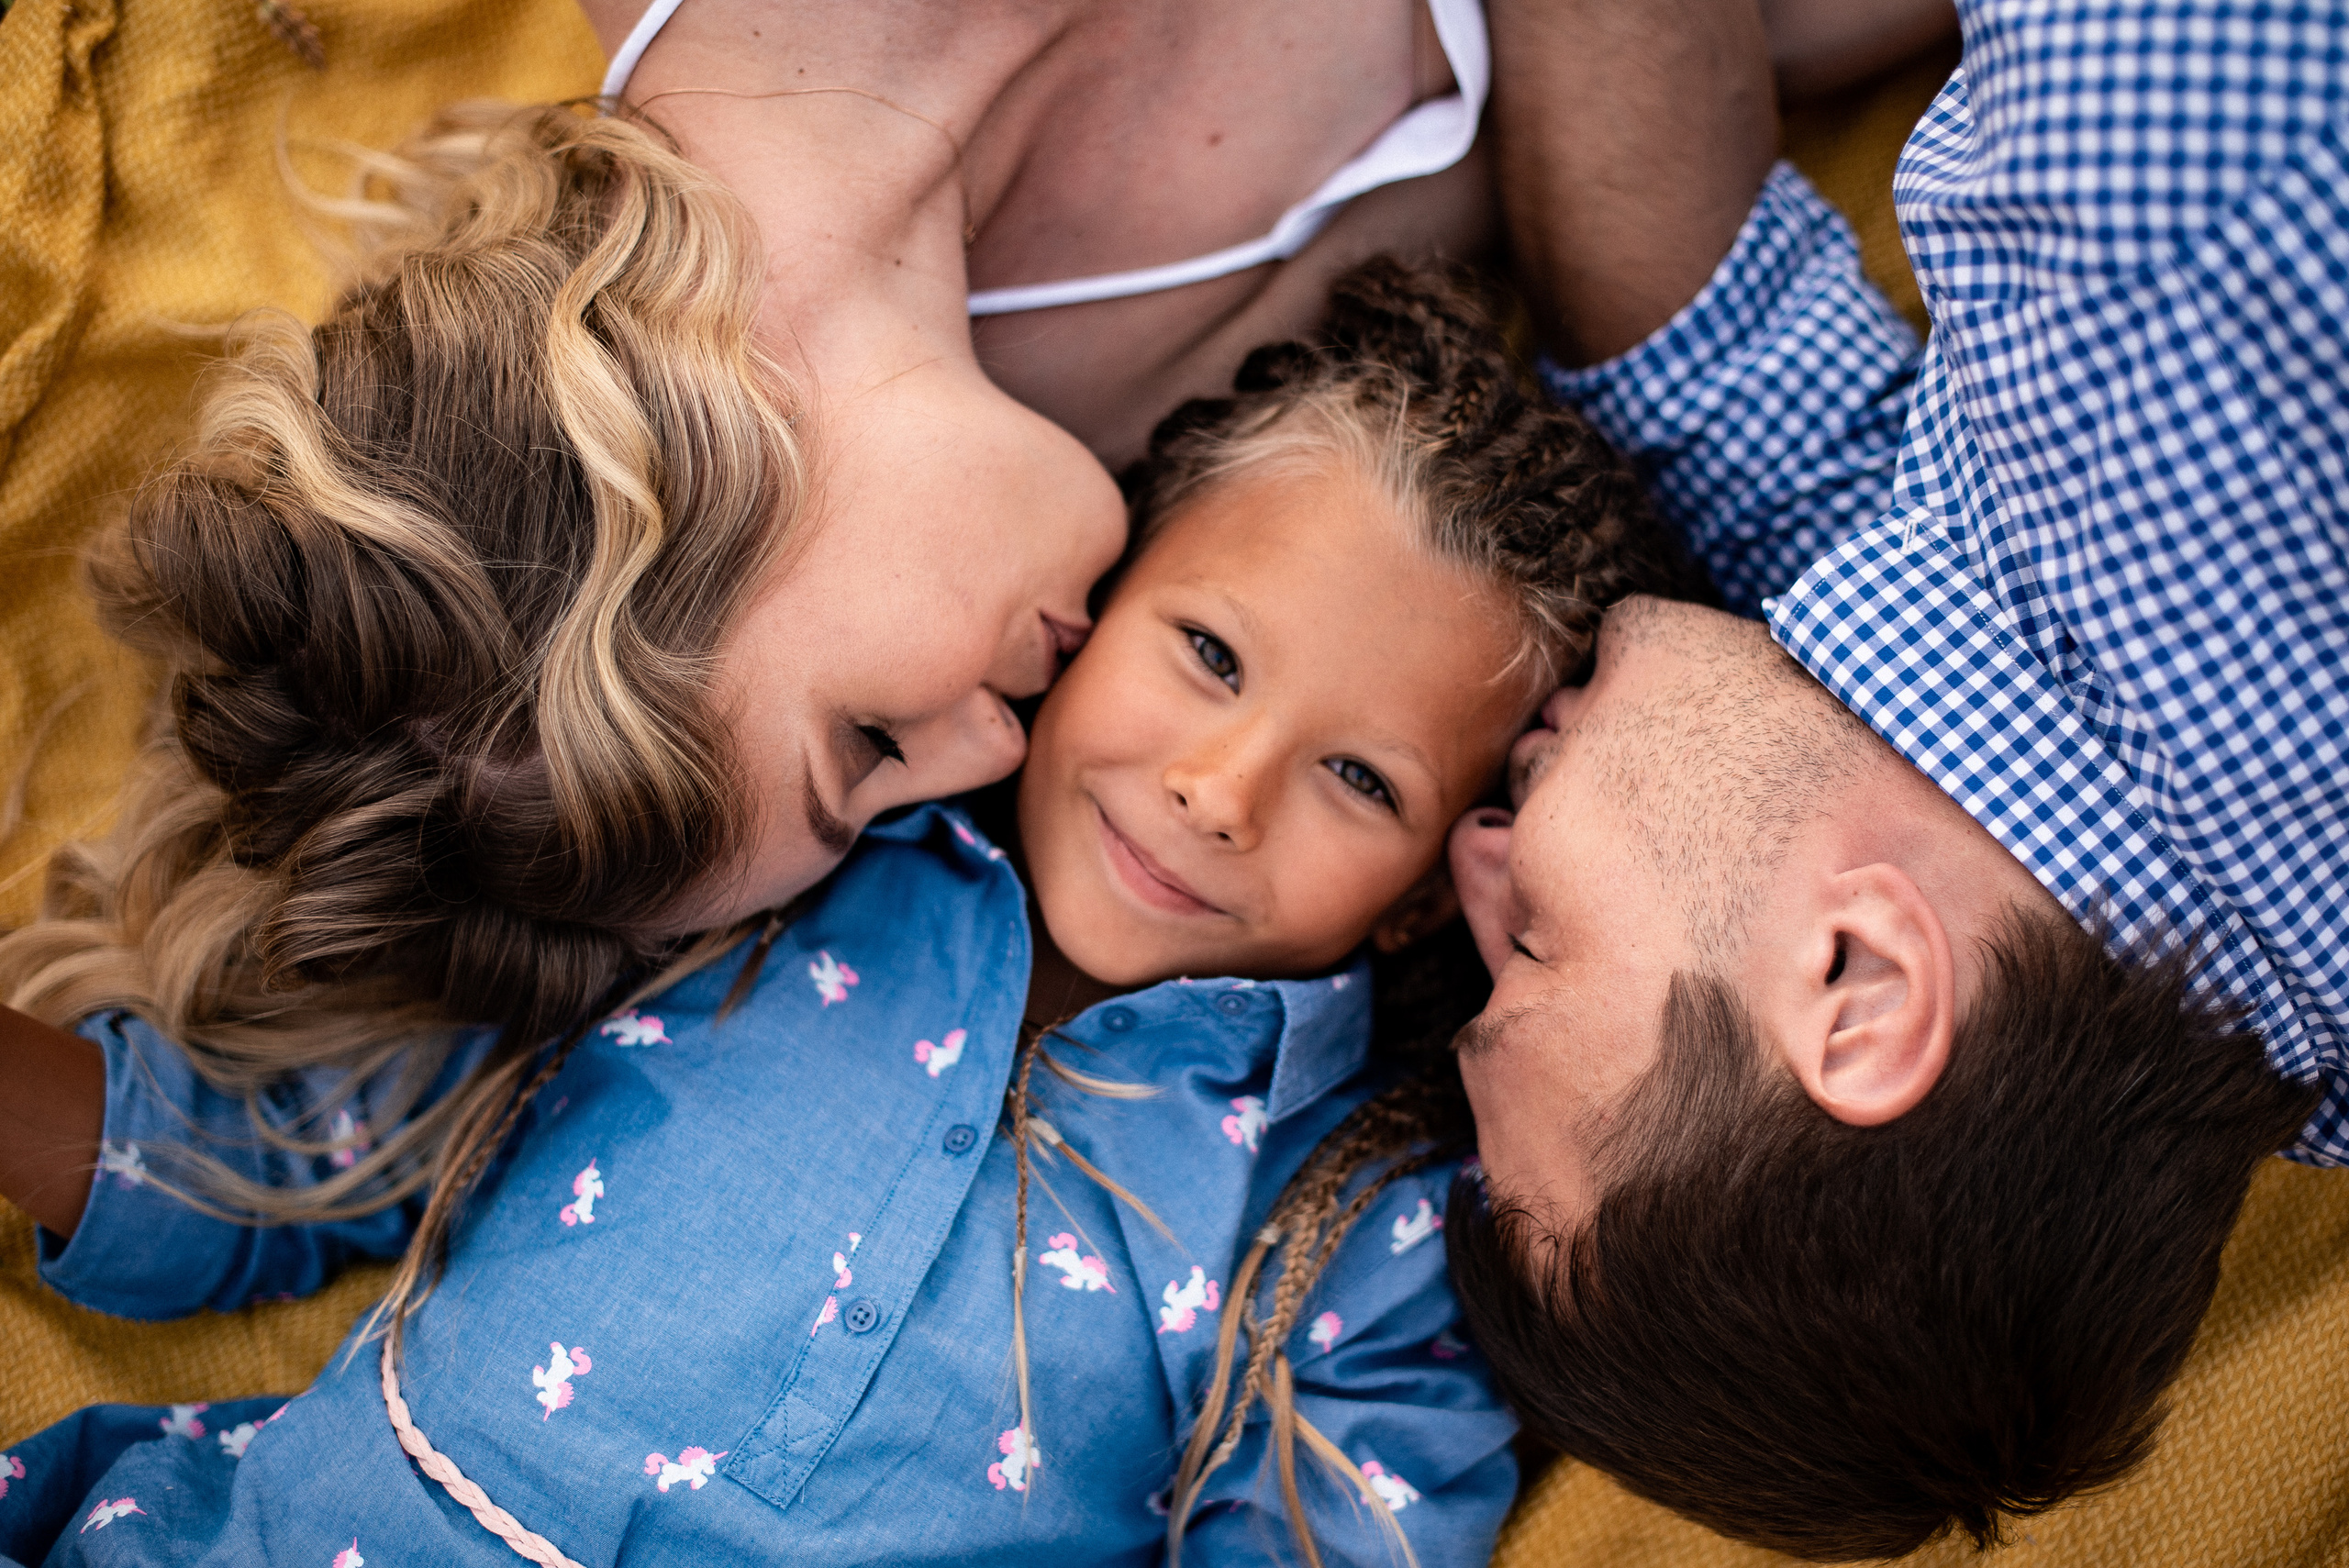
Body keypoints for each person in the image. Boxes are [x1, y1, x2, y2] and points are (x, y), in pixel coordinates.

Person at [0, 261, 1689, 1566]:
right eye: (1210, 654)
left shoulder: (1363, 1227)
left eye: (1363, 780)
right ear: (1089, 611)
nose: (1220, 787)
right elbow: (286, 1153)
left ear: (1425, 899)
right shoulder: (769, 870)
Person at [1439, 0, 2347, 1559]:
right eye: (1534, 944)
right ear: (1857, 984)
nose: (1473, 849)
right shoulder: (2193, 232)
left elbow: (1714, 372)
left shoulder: (2068, 822)